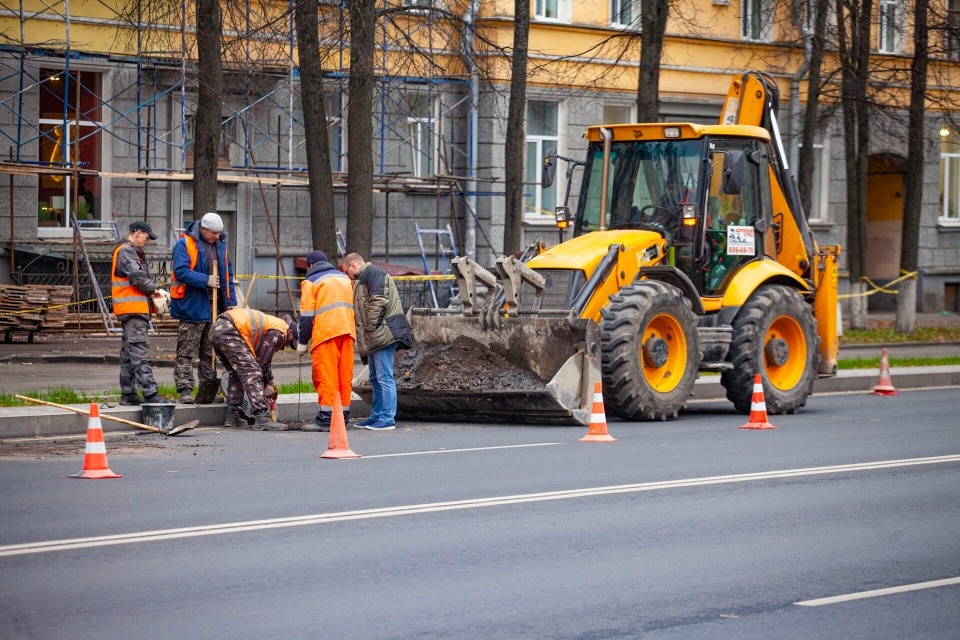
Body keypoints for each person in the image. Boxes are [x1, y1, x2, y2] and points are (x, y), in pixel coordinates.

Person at [170, 212, 236, 404]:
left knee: (210, 351)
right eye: (214, 233)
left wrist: (230, 302)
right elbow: (180, 271)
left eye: (219, 233)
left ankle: (208, 389)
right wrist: (205, 280)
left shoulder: (221, 246)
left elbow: (227, 275)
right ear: (204, 229)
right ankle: (185, 390)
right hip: (191, 305)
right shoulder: (184, 244)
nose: (217, 236)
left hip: (214, 306)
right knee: (186, 351)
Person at [342, 252, 413, 430]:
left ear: (352, 266)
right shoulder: (364, 279)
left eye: (346, 271)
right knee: (375, 378)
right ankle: (376, 416)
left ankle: (387, 418)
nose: (347, 276)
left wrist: (370, 327)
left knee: (384, 377)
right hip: (375, 337)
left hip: (382, 336)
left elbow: (378, 301)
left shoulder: (373, 273)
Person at [297, 250, 356, 432]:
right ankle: (342, 417)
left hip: (326, 332)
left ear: (310, 266)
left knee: (326, 375)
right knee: (344, 376)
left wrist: (302, 341)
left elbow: (306, 316)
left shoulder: (311, 282)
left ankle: (326, 420)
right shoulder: (345, 279)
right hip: (347, 331)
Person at [210, 308, 297, 431]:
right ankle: (261, 417)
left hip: (217, 329)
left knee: (236, 373)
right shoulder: (280, 331)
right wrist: (265, 386)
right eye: (290, 343)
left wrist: (270, 381)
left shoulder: (274, 325)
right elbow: (261, 363)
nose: (286, 346)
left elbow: (265, 359)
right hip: (230, 329)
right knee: (252, 372)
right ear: (290, 333)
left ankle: (232, 414)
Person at [111, 221, 166, 405]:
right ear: (138, 233)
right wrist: (156, 290)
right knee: (140, 353)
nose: (148, 241)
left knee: (128, 354)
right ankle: (151, 394)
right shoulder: (126, 251)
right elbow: (137, 278)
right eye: (147, 237)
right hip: (133, 310)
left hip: (131, 310)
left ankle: (128, 394)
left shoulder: (127, 251)